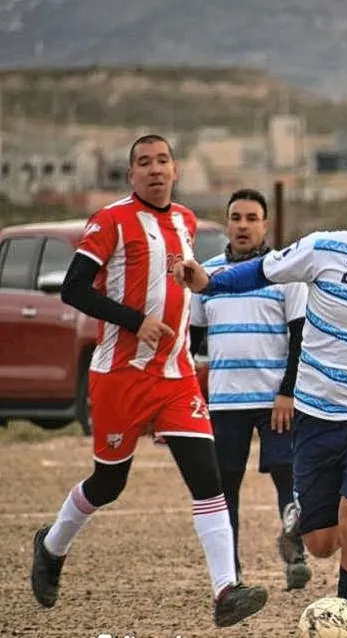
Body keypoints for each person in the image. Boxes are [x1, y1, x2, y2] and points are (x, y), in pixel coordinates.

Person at [30, 134, 268, 627]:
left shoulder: (183, 221)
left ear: (175, 170)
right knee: (109, 483)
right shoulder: (110, 221)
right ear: (131, 174)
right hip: (121, 375)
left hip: (176, 375)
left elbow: (178, 281)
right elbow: (74, 290)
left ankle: (226, 590)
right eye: (144, 163)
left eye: (163, 160)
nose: (155, 169)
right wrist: (135, 321)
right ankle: (51, 546)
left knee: (209, 479)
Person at [173, 165, 347, 615]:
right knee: (320, 543)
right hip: (316, 416)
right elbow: (264, 269)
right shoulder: (325, 248)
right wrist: (210, 282)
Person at [188, 188, 311, 590]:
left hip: (275, 399)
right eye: (236, 217)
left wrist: (288, 392)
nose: (243, 225)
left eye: (251, 218)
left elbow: (300, 337)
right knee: (225, 485)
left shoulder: (284, 272)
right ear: (227, 223)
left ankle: (295, 555)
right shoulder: (206, 274)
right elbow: (191, 343)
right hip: (224, 401)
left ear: (265, 224)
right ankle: (231, 570)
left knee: (286, 476)